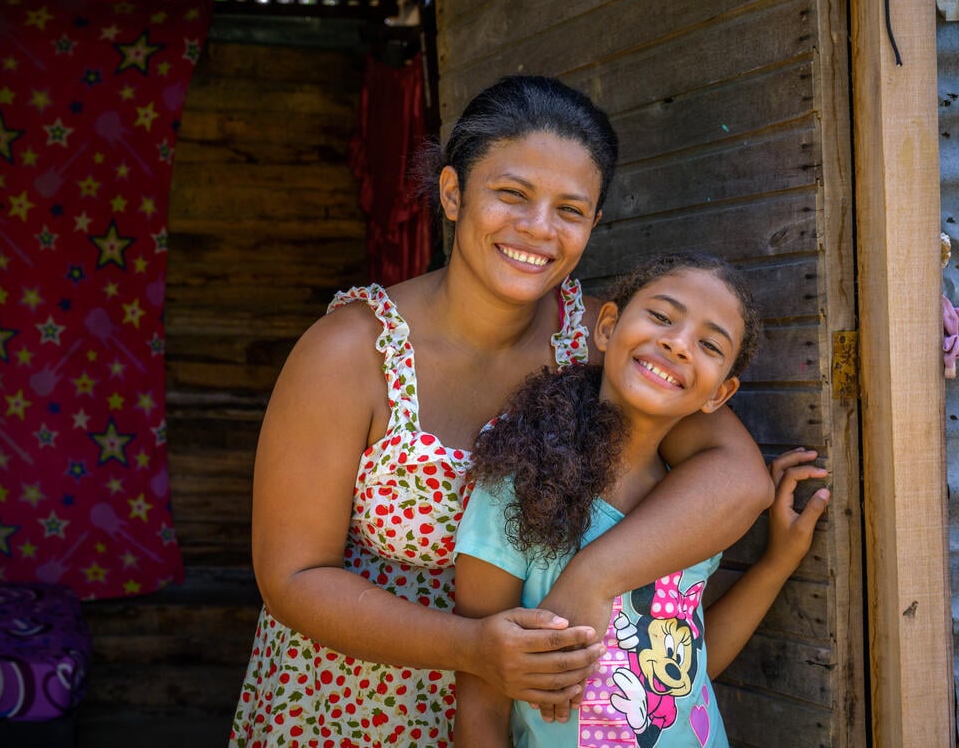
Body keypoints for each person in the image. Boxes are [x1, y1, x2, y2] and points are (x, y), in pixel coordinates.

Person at [230, 76, 775, 747]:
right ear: (454, 193)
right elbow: (292, 577)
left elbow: (740, 478)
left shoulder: (601, 343)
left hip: (532, 719)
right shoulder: (350, 352)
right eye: (512, 195)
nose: (538, 230)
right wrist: (474, 648)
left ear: (595, 223)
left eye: (570, 211)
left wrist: (594, 576)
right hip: (356, 705)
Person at [452, 253, 831, 747]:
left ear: (720, 393)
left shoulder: (695, 512)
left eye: (709, 345)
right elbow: (480, 704)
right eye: (660, 316)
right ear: (607, 327)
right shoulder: (518, 486)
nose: (677, 343)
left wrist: (774, 566)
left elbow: (686, 671)